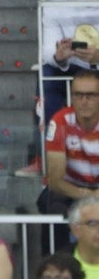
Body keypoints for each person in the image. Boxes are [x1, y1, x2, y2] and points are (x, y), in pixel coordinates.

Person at [45, 71, 99, 213]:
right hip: (72, 189)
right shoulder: (59, 121)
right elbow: (55, 181)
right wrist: (89, 195)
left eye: (91, 95)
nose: (84, 101)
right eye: (78, 95)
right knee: (54, 207)